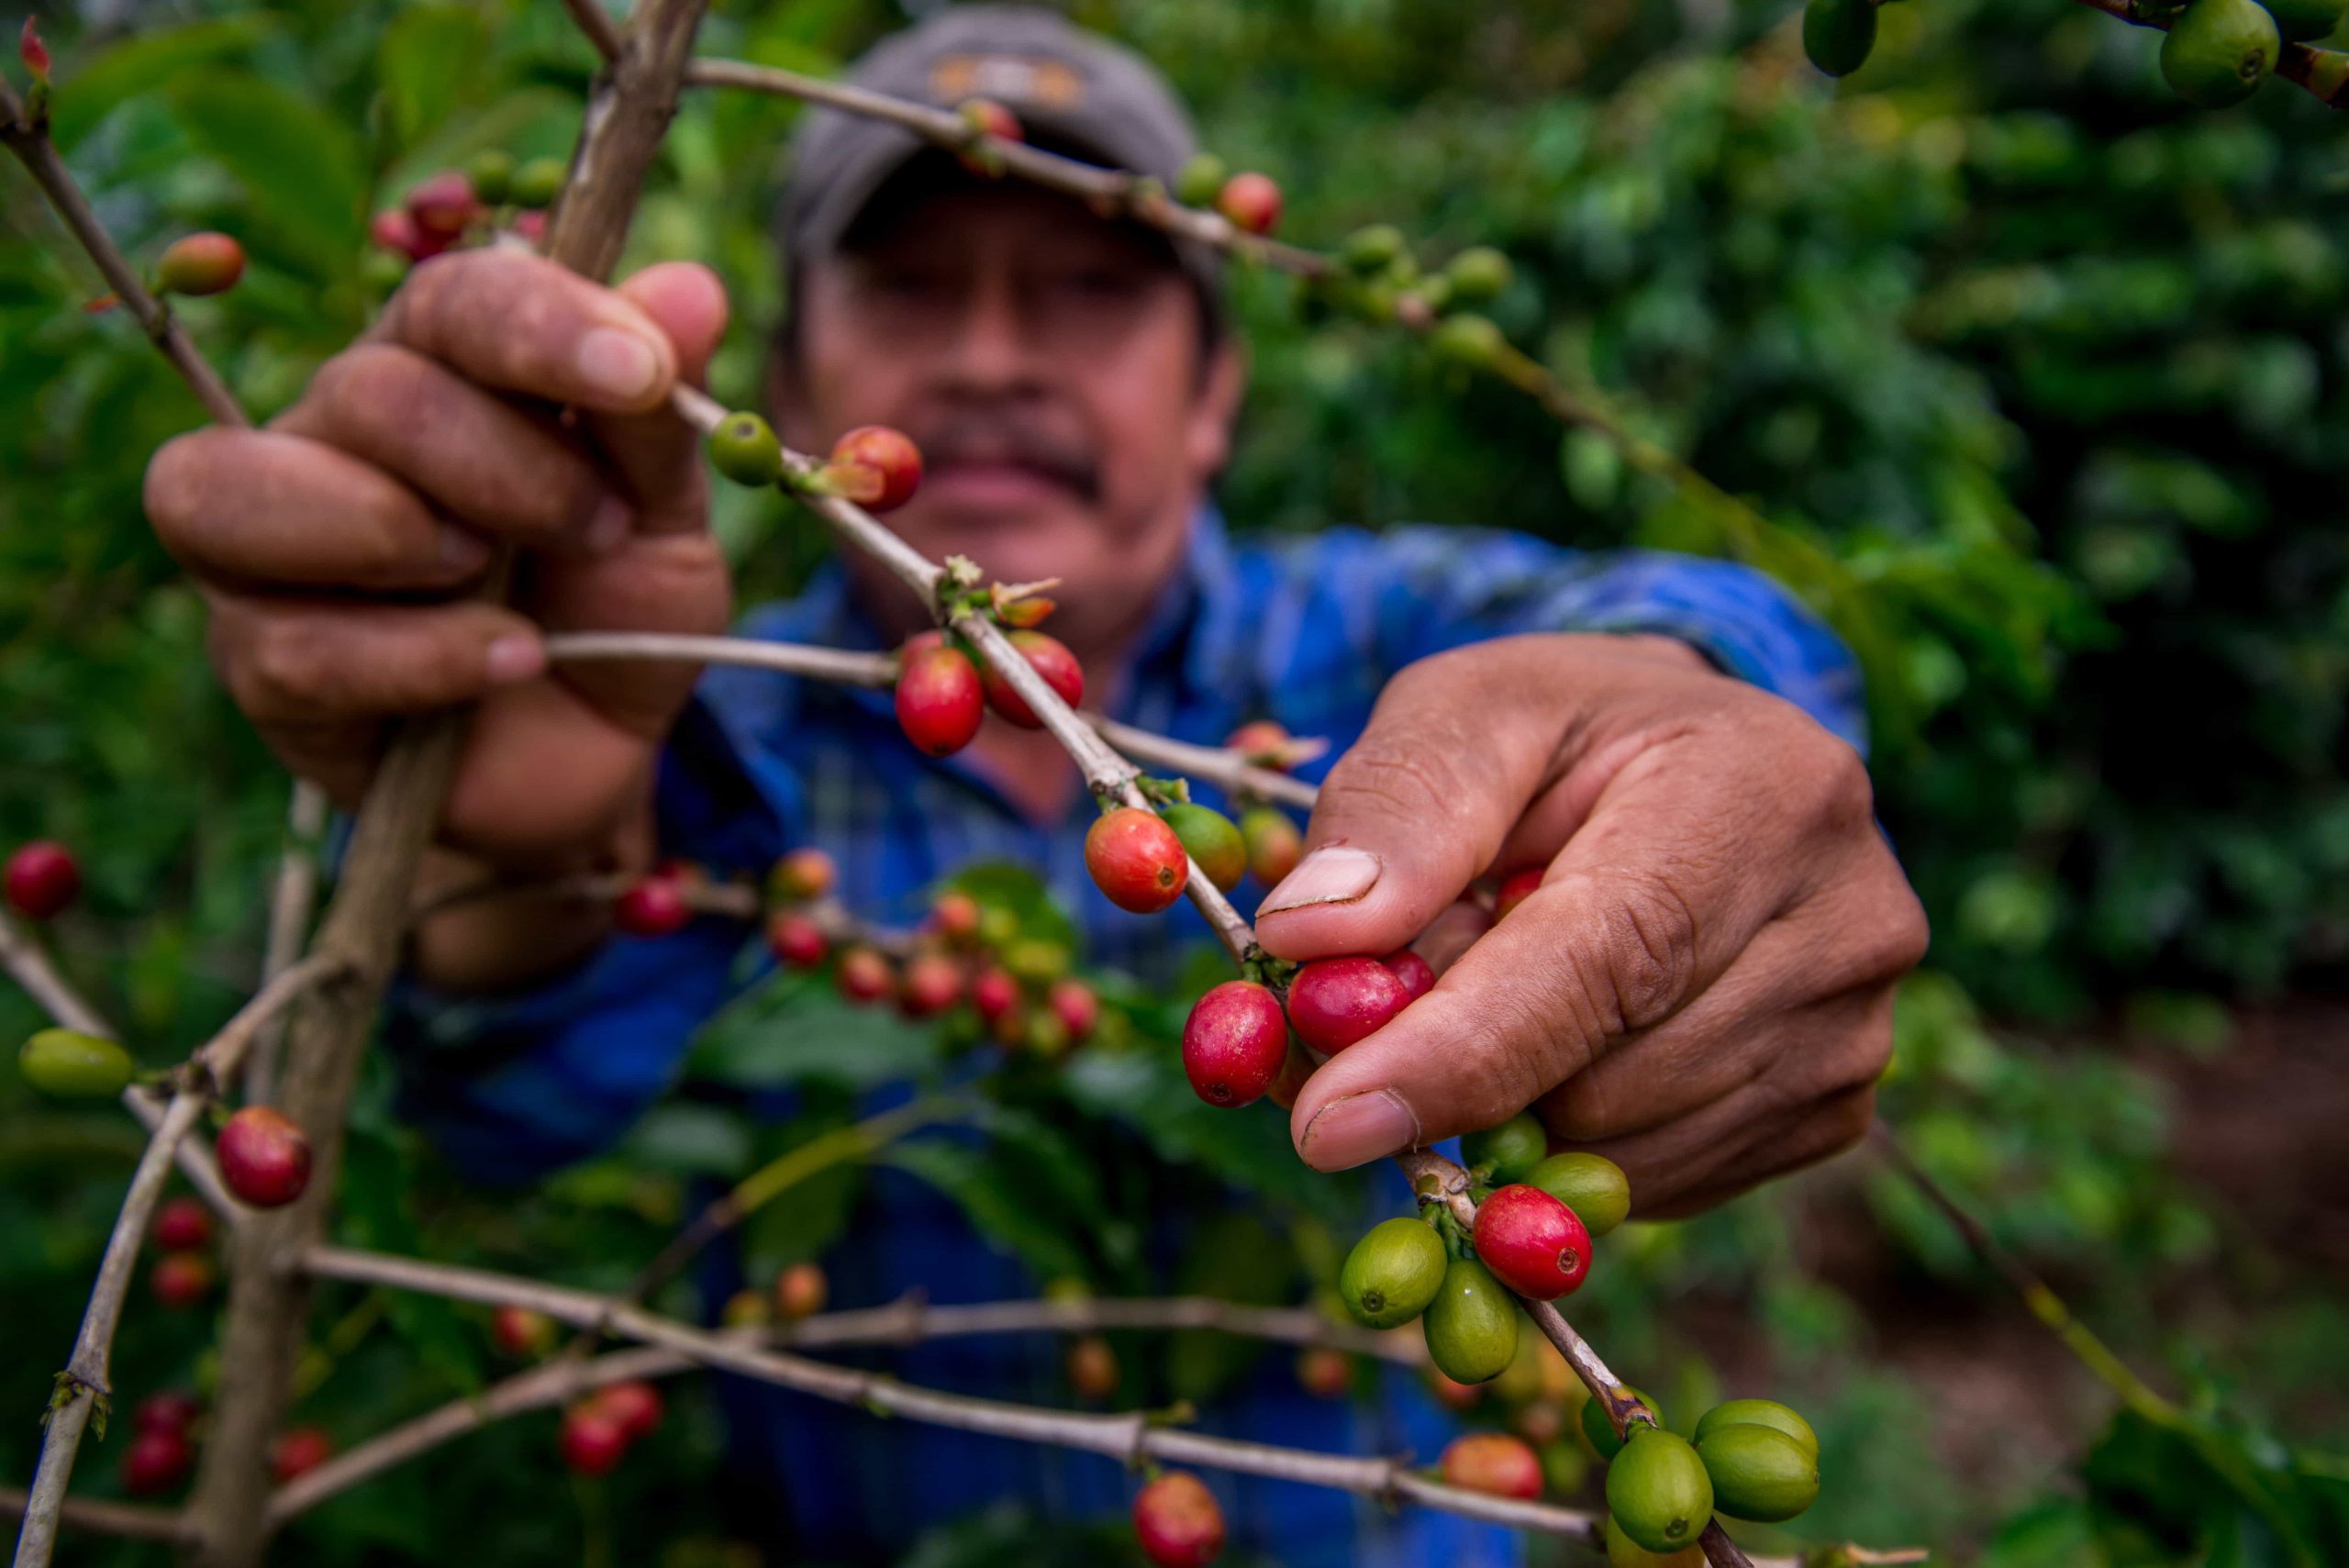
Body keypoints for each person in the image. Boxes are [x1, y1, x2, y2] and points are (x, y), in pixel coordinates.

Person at [140, 6, 1925, 1562]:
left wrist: (1703, 720)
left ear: (1215, 394)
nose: (991, 357)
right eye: (911, 289)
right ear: (783, 387)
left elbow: (1673, 635)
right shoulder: (707, 744)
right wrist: (516, 844)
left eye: (1085, 292)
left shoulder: (1366, 650)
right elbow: (494, 1133)